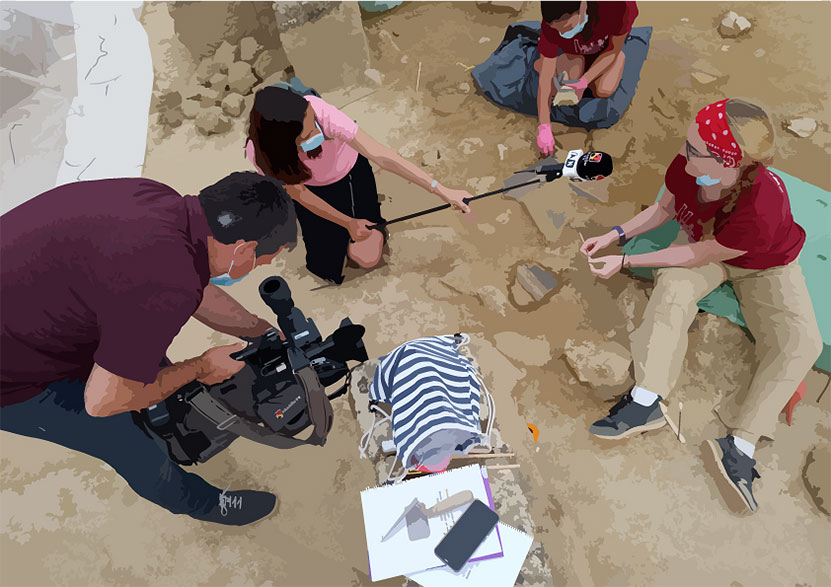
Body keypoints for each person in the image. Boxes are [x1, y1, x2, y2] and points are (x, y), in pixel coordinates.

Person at [0, 172, 298, 525]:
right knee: (124, 440)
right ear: (244, 249)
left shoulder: (162, 203)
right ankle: (204, 503)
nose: (258, 267)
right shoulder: (163, 286)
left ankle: (168, 427)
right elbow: (101, 402)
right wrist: (202, 366)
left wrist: (259, 330)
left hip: (38, 313)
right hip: (15, 378)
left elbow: (192, 285)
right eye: (263, 261)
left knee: (150, 374)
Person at [579, 99, 823, 513]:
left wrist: (627, 261)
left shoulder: (763, 205)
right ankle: (646, 400)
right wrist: (616, 235)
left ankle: (740, 445)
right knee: (673, 290)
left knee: (803, 343)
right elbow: (665, 208)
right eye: (688, 144)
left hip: (763, 264)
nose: (685, 155)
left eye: (696, 150)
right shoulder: (688, 165)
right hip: (705, 244)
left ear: (734, 163)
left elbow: (701, 256)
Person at [245, 86, 474, 285]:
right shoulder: (263, 156)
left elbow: (382, 156)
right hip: (311, 191)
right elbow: (300, 193)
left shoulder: (319, 112)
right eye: (308, 134)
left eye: (314, 123)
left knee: (366, 257)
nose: (319, 132)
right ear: (283, 146)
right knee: (324, 265)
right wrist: (347, 223)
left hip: (350, 175)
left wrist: (441, 190)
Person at [535, 1, 638, 155]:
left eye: (568, 28)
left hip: (607, 50)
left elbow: (613, 49)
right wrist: (544, 127)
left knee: (604, 89)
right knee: (557, 87)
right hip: (575, 52)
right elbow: (545, 77)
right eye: (559, 31)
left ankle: (617, 62)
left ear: (583, 5)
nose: (564, 33)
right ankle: (552, 61)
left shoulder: (617, 7)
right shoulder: (550, 25)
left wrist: (585, 81)